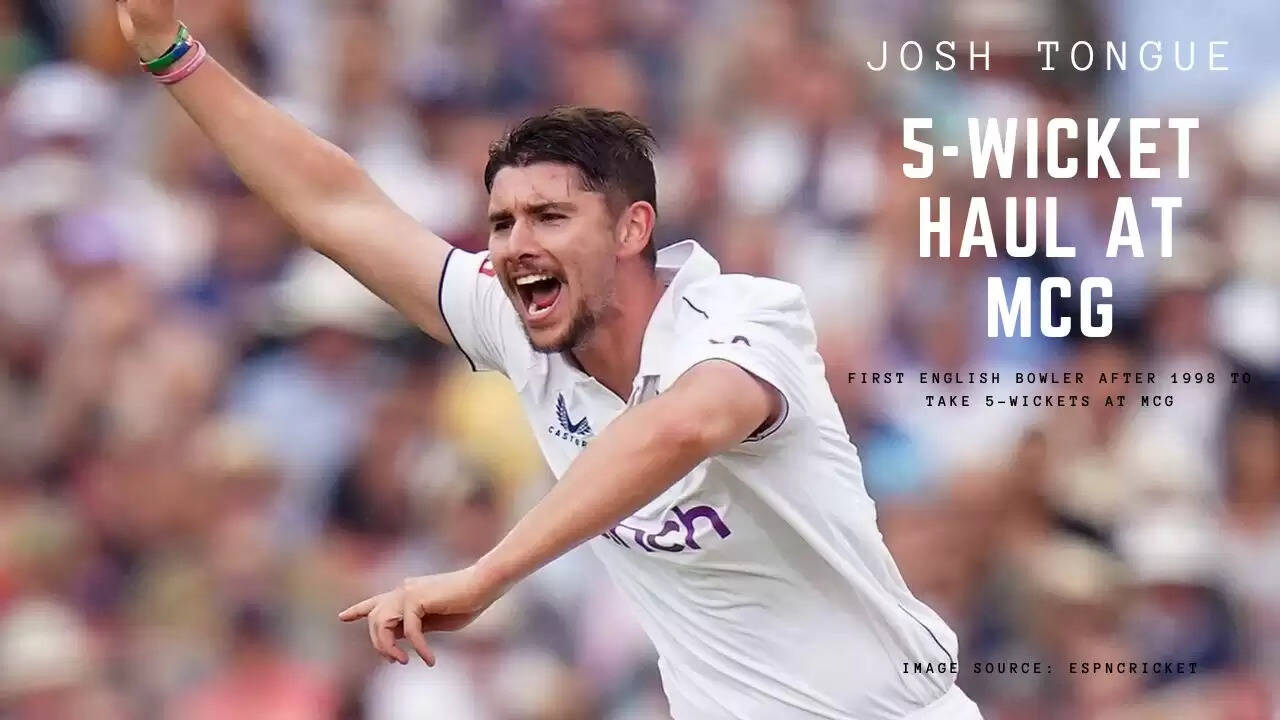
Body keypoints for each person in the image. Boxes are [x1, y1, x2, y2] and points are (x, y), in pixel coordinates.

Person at [113, 1, 985, 717]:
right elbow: (336, 206)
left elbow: (676, 430)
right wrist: (174, 55)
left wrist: (488, 574)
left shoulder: (747, 316)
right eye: (501, 224)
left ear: (634, 229)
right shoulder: (519, 324)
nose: (512, 247)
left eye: (549, 219)